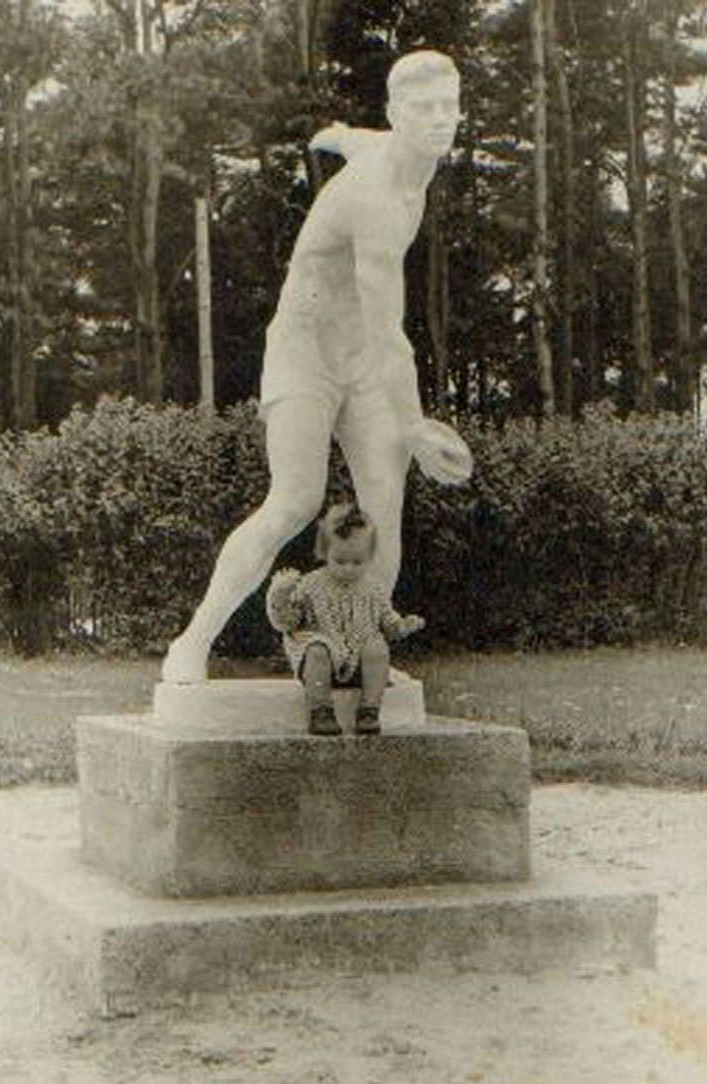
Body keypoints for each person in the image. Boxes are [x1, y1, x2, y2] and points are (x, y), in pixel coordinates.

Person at [162, 49, 471, 684]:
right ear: (398, 113)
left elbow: (364, 141)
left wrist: (336, 135)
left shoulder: (405, 155)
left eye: (449, 104)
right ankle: (192, 642)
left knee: (384, 507)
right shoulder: (376, 198)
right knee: (295, 499)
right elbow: (389, 331)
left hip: (363, 359)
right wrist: (414, 426)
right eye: (425, 108)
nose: (441, 118)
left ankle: (361, 657)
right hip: (305, 350)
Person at [265, 503, 425, 735]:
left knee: (377, 646)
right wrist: (281, 595)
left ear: (369, 557)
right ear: (324, 553)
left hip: (360, 666)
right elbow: (286, 623)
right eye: (340, 561)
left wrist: (403, 625)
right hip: (321, 668)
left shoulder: (374, 589)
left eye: (357, 562)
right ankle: (321, 711)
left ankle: (369, 710)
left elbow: (388, 624)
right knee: (317, 649)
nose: (349, 569)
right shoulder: (310, 585)